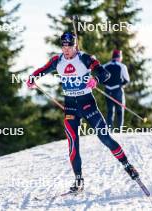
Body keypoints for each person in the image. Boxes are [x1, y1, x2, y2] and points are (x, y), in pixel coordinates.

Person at [26, 32, 138, 192]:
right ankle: (79, 180)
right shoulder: (57, 60)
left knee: (105, 138)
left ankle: (128, 166)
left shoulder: (85, 58)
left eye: (69, 46)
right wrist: (32, 78)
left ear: (75, 45)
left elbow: (104, 73)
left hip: (88, 105)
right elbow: (42, 70)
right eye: (63, 45)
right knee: (72, 143)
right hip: (70, 107)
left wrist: (96, 80)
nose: (66, 49)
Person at [103, 50, 130, 128]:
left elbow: (102, 79)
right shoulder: (122, 66)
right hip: (118, 91)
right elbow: (127, 80)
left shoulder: (105, 66)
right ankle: (119, 129)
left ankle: (110, 129)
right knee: (120, 111)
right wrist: (121, 85)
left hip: (108, 91)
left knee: (110, 111)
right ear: (119, 57)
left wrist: (106, 84)